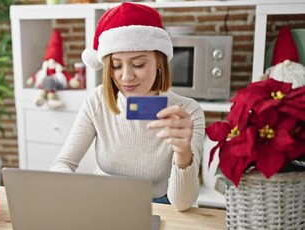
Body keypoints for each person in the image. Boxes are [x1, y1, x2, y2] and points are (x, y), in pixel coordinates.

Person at [49, 2, 205, 212]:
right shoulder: (97, 101)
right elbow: (63, 163)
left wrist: (183, 153)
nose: (126, 77)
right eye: (116, 65)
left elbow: (182, 204)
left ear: (159, 61)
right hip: (102, 205)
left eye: (139, 64)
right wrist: (74, 192)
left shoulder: (188, 111)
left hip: (159, 208)